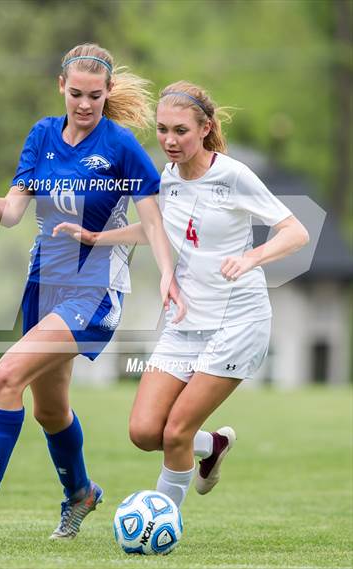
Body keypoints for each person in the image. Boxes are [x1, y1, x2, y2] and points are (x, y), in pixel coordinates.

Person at [0, 44, 184, 538]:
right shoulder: (42, 135)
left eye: (95, 95)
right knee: (49, 409)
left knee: (6, 374)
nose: (84, 104)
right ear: (61, 88)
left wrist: (166, 274)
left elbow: (155, 225)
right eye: (76, 93)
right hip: (42, 287)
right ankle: (81, 493)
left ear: (108, 92)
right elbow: (13, 215)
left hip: (93, 293)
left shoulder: (120, 147)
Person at [59, 80, 310, 510]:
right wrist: (96, 236)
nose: (170, 141)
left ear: (205, 128)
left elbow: (297, 232)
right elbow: (157, 228)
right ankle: (210, 446)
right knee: (143, 431)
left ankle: (163, 521)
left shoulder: (232, 175)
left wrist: (251, 259)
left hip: (237, 321)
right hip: (186, 319)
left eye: (181, 131)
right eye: (162, 130)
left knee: (175, 432)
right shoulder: (168, 176)